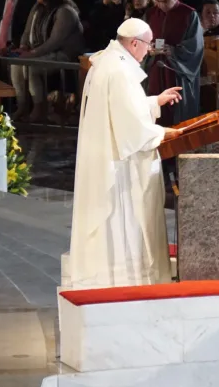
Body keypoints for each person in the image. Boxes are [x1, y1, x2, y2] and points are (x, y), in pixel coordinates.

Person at [69, 17, 184, 290]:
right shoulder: (119, 71)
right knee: (124, 224)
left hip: (108, 156)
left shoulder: (109, 61)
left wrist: (155, 101)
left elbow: (122, 109)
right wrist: (162, 133)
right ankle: (129, 280)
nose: (149, 51)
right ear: (134, 43)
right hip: (119, 166)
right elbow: (133, 129)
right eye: (147, 45)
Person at [144, 0, 203, 126]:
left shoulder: (188, 14)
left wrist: (174, 51)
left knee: (177, 115)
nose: (161, 5)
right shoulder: (151, 14)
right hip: (155, 69)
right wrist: (147, 49)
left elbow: (194, 48)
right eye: (158, 1)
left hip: (177, 71)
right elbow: (141, 41)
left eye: (165, 1)